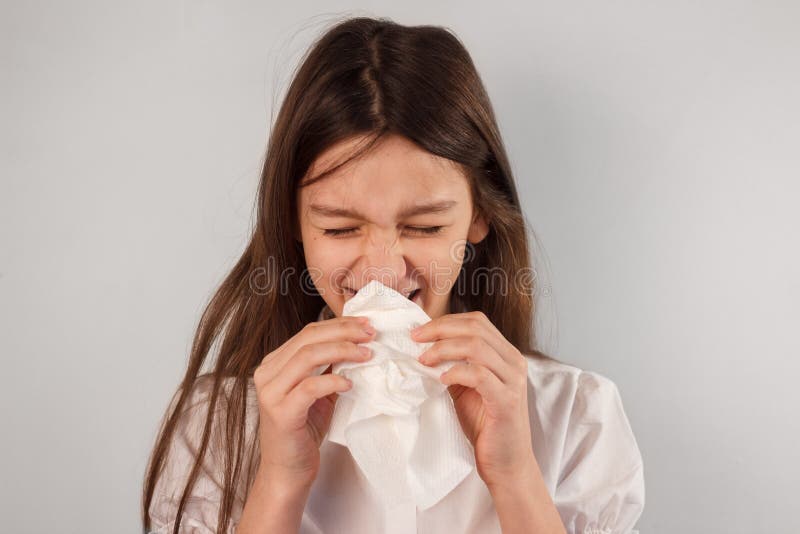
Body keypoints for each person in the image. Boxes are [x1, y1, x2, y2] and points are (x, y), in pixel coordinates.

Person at [141, 15, 645, 534]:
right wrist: (279, 481)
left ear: (479, 216)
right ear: (293, 222)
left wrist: (515, 476)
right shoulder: (217, 426)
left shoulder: (577, 417)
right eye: (340, 229)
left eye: (424, 227)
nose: (382, 271)